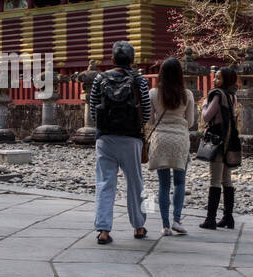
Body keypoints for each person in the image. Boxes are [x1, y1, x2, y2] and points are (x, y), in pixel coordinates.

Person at [90, 40, 151, 243]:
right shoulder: (139, 81)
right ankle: (139, 226)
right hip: (131, 138)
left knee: (105, 182)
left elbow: (93, 112)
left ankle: (103, 230)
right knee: (135, 182)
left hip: (105, 138)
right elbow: (147, 113)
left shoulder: (99, 78)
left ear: (112, 59)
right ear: (132, 60)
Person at [146, 57, 196, 236]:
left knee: (164, 185)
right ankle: (177, 220)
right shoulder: (187, 94)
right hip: (180, 140)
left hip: (160, 140)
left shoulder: (153, 93)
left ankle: (165, 226)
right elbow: (190, 122)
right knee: (180, 182)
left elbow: (150, 120)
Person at [199, 66, 240, 230]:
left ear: (226, 80)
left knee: (214, 180)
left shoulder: (217, 94)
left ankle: (210, 219)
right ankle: (228, 217)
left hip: (217, 140)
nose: (215, 80)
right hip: (229, 141)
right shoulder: (232, 96)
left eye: (218, 78)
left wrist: (203, 105)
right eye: (215, 77)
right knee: (227, 180)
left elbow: (206, 116)